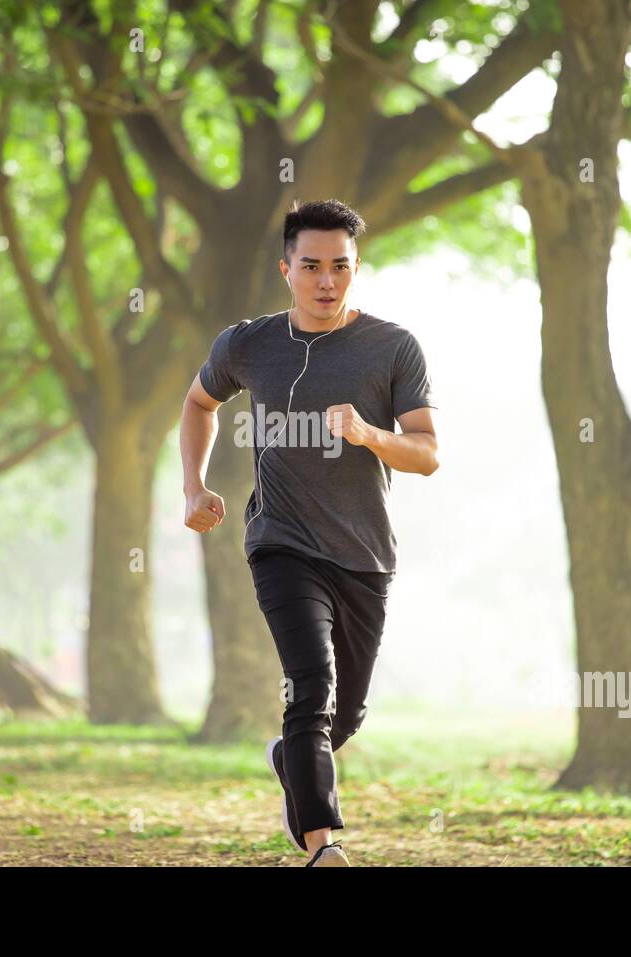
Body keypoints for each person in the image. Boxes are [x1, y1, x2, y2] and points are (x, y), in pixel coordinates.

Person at [179, 198, 439, 867]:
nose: (327, 280)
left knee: (341, 718)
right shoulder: (248, 344)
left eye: (341, 266)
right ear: (285, 268)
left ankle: (287, 758)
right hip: (282, 544)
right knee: (311, 684)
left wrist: (368, 434)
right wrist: (194, 485)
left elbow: (427, 452)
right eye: (313, 266)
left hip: (365, 555)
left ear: (356, 268)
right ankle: (326, 846)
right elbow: (199, 402)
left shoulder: (392, 347)